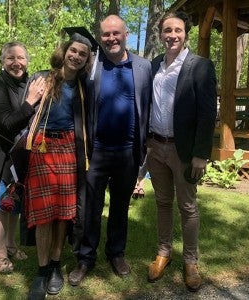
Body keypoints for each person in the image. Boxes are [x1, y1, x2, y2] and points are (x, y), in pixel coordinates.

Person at [68, 14, 152, 286]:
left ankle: (116, 253)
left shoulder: (143, 67)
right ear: (100, 37)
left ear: (126, 34)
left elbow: (150, 107)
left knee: (119, 207)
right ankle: (86, 257)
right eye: (105, 34)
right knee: (90, 208)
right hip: (97, 152)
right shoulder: (92, 65)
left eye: (116, 33)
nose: (111, 38)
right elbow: (67, 74)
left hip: (128, 152)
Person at [146, 11, 217, 291]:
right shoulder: (154, 65)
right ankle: (164, 252)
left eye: (177, 30)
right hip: (155, 146)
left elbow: (208, 112)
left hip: (184, 151)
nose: (172, 35)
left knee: (187, 207)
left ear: (185, 32)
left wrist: (201, 153)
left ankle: (190, 261)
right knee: (162, 203)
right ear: (160, 34)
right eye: (167, 30)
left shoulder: (200, 66)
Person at [25, 33, 92, 300]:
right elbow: (26, 111)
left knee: (63, 213)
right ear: (64, 51)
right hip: (41, 148)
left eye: (82, 54)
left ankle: (55, 265)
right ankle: (42, 271)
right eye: (73, 51)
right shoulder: (43, 78)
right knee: (43, 215)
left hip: (68, 150)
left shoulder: (84, 88)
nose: (76, 56)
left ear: (87, 60)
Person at [0, 41, 45, 273]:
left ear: (28, 60)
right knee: (1, 207)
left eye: (21, 58)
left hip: (19, 157)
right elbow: (7, 125)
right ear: (2, 62)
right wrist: (30, 101)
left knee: (14, 205)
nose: (17, 63)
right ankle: (0, 252)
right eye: (11, 58)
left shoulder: (29, 83)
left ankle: (11, 245)